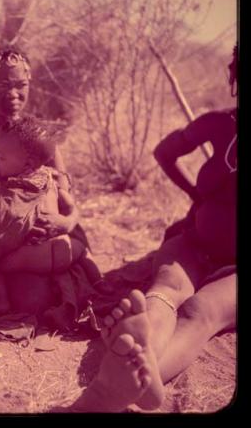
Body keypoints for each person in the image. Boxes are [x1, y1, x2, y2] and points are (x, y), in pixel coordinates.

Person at [86, 47, 237, 411]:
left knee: (200, 310)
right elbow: (164, 151)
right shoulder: (220, 124)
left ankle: (140, 380)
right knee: (164, 292)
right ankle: (134, 366)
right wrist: (197, 196)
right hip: (194, 241)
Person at [0, 45, 104, 321]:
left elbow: (65, 191)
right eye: (3, 85)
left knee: (39, 298)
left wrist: (65, 222)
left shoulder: (38, 136)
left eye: (21, 85)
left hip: (39, 238)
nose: (14, 94)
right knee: (29, 300)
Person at [0, 116, 105, 317]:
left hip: (34, 255)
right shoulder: (51, 178)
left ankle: (1, 301)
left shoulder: (16, 190)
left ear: (27, 165)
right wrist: (68, 221)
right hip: (64, 250)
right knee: (84, 253)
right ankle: (101, 283)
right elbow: (70, 205)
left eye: (1, 157)